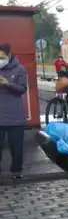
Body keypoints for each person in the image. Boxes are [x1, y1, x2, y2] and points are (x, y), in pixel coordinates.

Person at [0, 43, 28, 179]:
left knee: (16, 146)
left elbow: (22, 89)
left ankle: (17, 170)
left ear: (8, 56)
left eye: (1, 57)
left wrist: (8, 84)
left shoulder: (19, 69)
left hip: (15, 116)